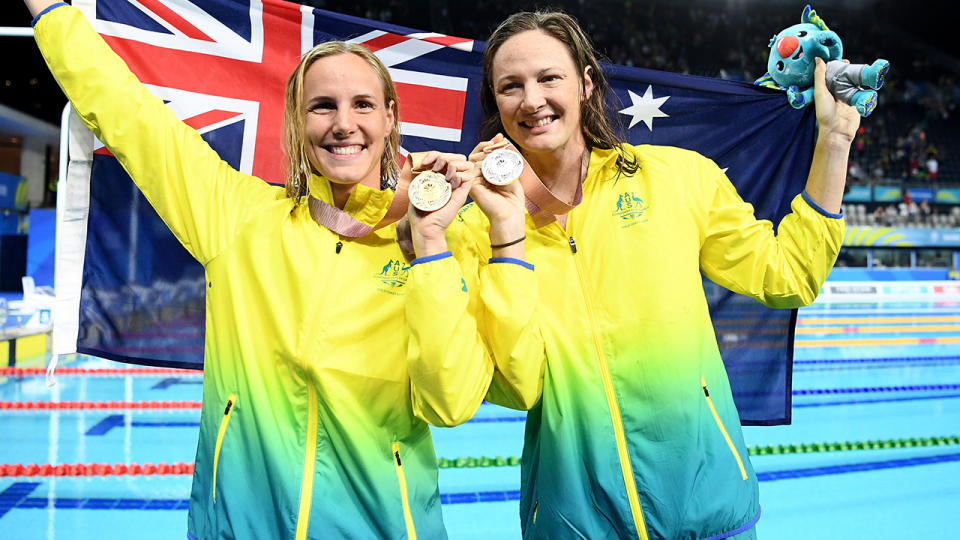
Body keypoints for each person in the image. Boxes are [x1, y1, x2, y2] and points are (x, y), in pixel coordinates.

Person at [26, 1, 513, 538]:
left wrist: (429, 248)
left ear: (391, 118)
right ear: (298, 122)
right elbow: (129, 114)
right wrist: (50, 12)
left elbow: (451, 404)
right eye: (322, 106)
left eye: (363, 105)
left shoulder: (444, 237)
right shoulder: (239, 217)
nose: (343, 124)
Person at [462, 11, 854, 539]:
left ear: (585, 82)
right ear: (496, 105)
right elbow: (513, 387)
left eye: (548, 77)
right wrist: (506, 227)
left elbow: (788, 276)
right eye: (511, 86)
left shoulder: (676, 177)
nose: (531, 100)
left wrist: (833, 139)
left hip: (708, 512)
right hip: (575, 524)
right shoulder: (475, 228)